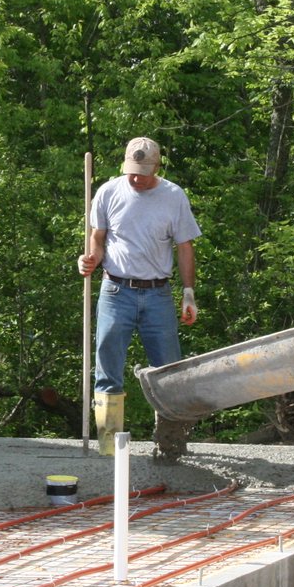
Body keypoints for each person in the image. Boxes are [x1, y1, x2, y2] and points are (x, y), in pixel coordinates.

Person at [77, 136, 201, 458]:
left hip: (158, 294)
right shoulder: (108, 192)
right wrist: (89, 258)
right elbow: (97, 239)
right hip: (115, 290)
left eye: (143, 172)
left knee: (169, 371)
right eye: (132, 170)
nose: (136, 177)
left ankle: (170, 445)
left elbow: (185, 247)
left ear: (157, 167)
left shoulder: (173, 196)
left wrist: (188, 294)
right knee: (107, 368)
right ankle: (109, 447)